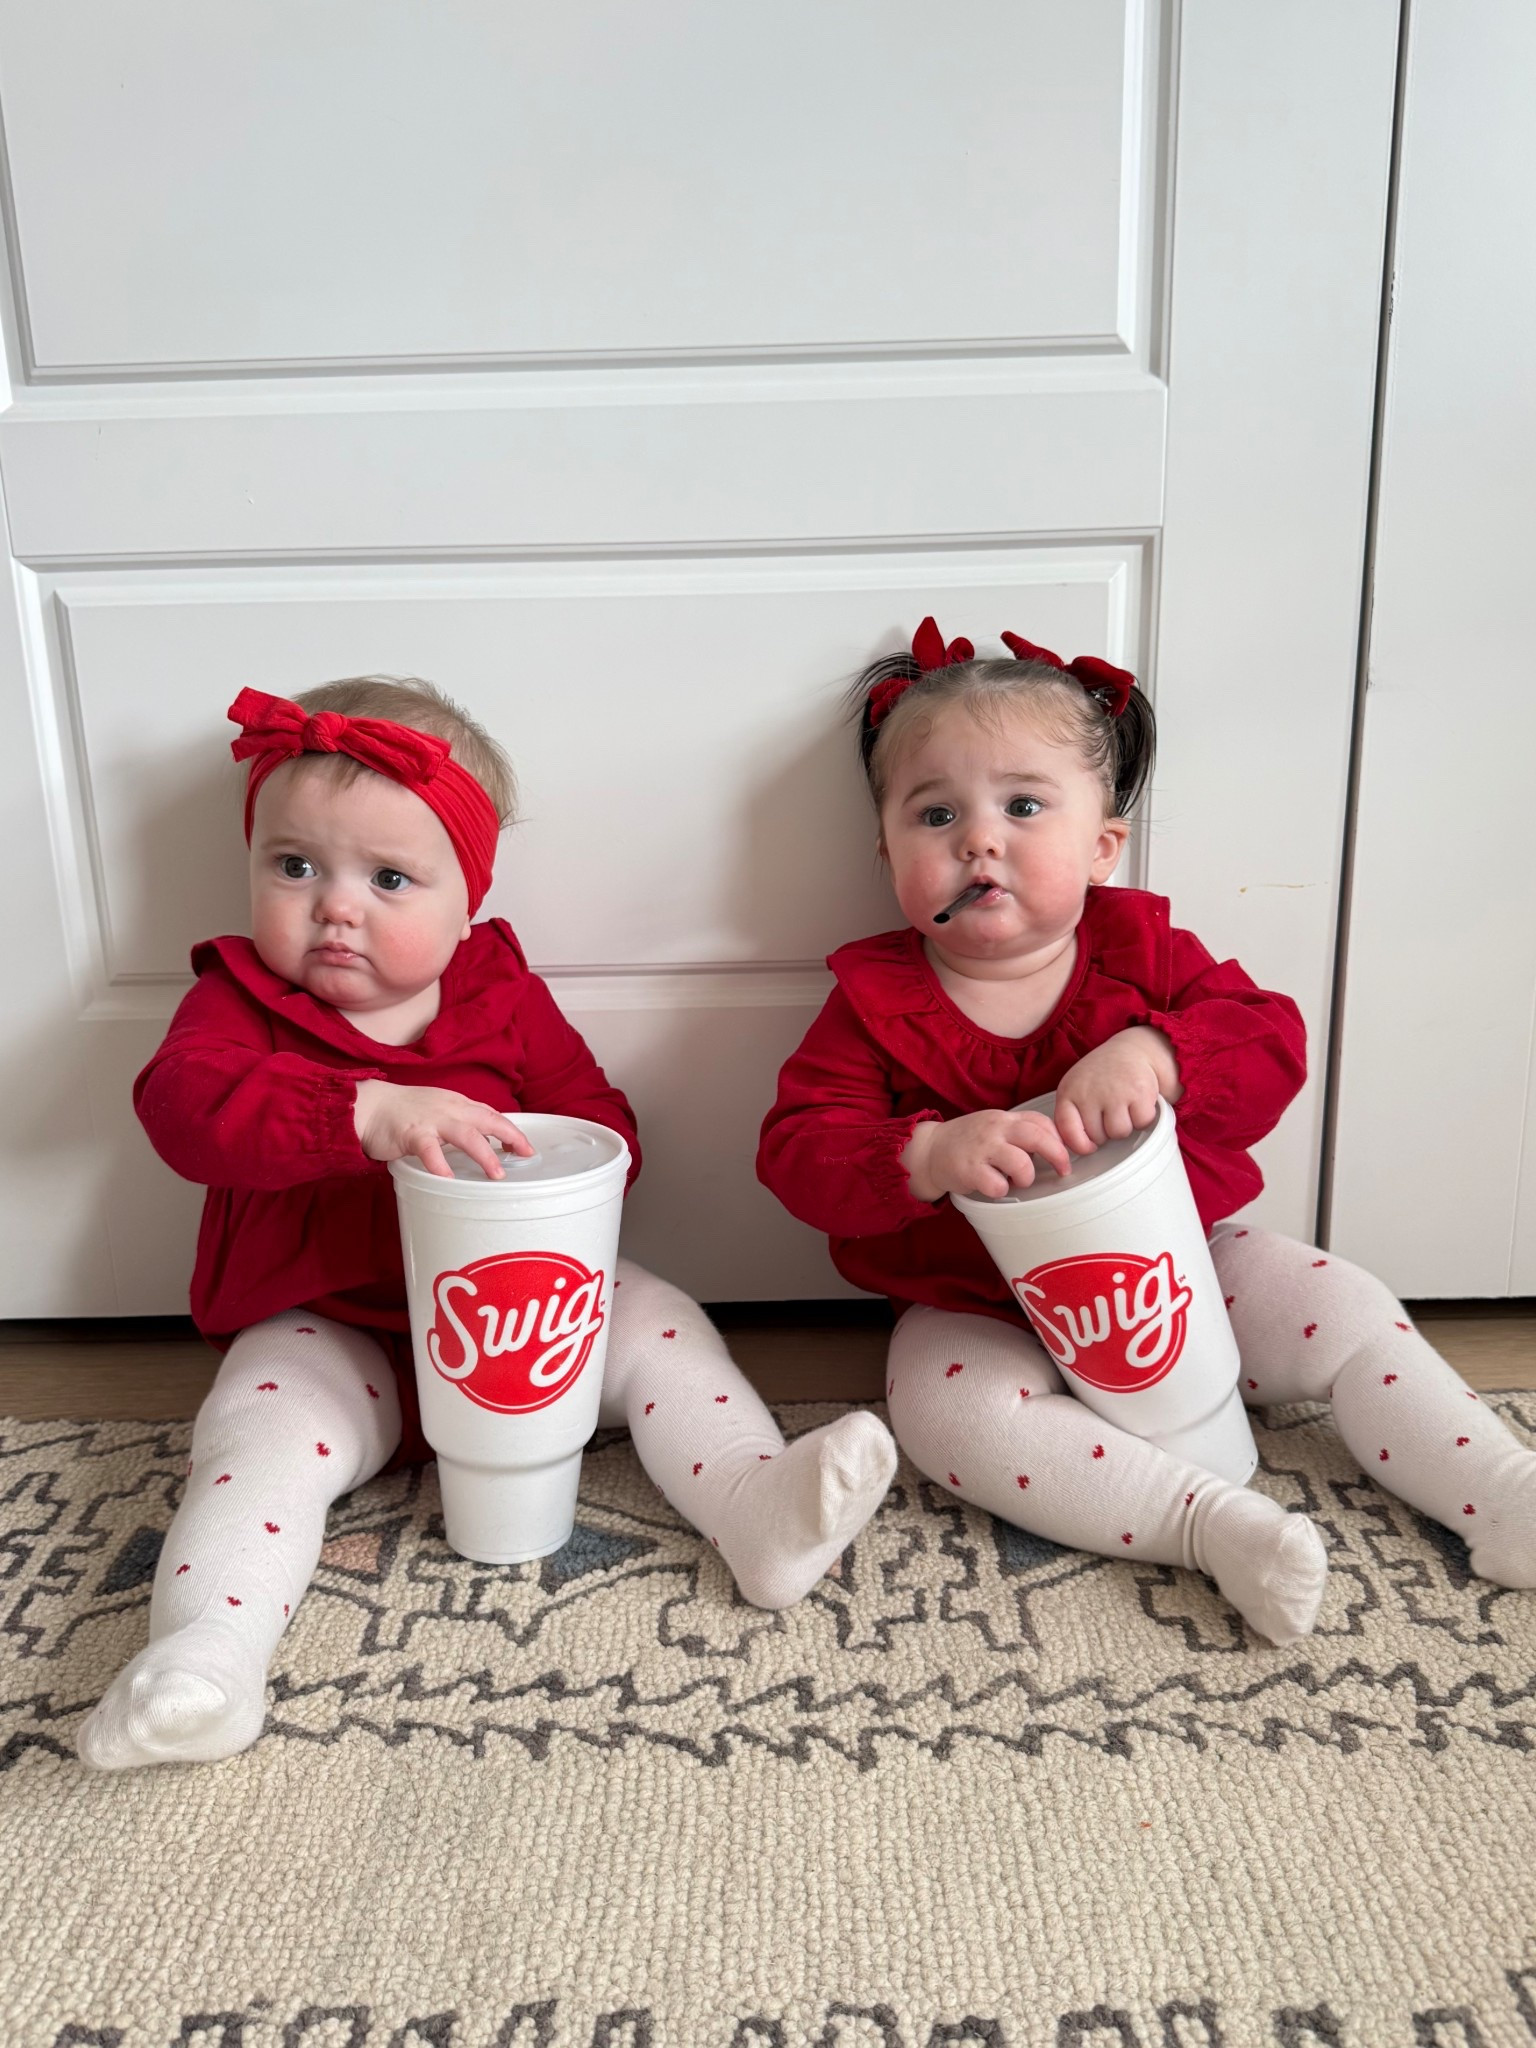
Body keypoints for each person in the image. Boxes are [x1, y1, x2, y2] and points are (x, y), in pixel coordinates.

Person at [79, 677, 896, 1768]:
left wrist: (538, 1158)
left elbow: (608, 1126)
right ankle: (207, 1654)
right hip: (333, 1330)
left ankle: (753, 1503)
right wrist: (364, 1108)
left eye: (389, 877)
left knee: (660, 1322)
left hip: (519, 1327)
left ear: (465, 898)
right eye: (294, 865)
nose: (336, 905)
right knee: (254, 1441)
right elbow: (183, 1112)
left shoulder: (499, 994)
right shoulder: (238, 1003)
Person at [758, 619, 1536, 1644]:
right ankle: (1208, 1524)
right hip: (980, 1308)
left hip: (1180, 1273)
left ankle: (1498, 1486)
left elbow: (1270, 1039)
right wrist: (928, 1151)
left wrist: (1159, 1053)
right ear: (888, 851)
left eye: (1023, 806)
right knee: (946, 1418)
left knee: (1341, 1301)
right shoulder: (873, 999)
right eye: (935, 814)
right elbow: (798, 1146)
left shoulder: (1143, 950)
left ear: (1101, 848)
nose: (978, 840)